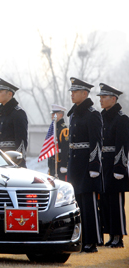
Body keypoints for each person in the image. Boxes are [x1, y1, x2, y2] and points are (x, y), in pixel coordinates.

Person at [66, 77, 104, 253]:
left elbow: (96, 142)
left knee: (89, 205)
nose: (72, 94)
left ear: (85, 93)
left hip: (88, 166)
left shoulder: (92, 113)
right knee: (78, 205)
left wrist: (94, 166)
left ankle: (93, 241)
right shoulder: (74, 114)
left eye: (75, 92)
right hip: (75, 165)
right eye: (71, 91)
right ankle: (81, 239)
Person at [97, 83, 128, 248]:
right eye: (100, 97)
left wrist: (120, 168)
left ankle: (118, 237)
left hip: (115, 165)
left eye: (104, 97)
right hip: (103, 164)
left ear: (114, 99)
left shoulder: (122, 118)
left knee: (116, 203)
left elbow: (123, 145)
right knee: (105, 203)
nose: (101, 100)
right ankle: (109, 234)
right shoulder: (101, 117)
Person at [0, 78, 28, 167]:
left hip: (12, 161)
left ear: (10, 94)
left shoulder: (18, 113)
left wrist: (18, 160)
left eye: (0, 91)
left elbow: (22, 142)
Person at [47, 104, 69, 180]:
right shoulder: (53, 128)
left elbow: (65, 149)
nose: (52, 116)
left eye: (55, 114)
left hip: (59, 163)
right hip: (53, 163)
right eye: (52, 114)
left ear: (61, 115)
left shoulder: (64, 130)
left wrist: (63, 165)